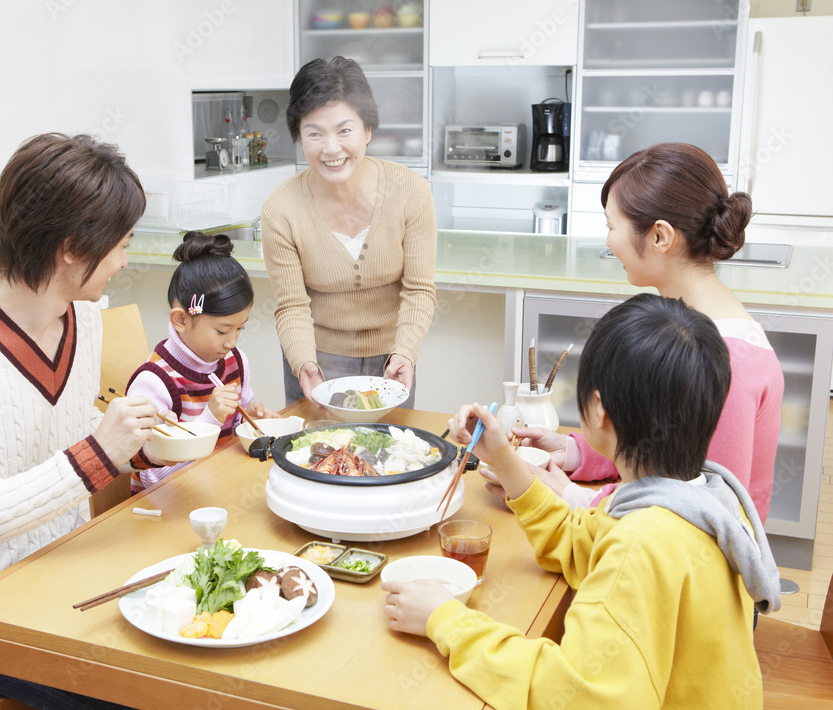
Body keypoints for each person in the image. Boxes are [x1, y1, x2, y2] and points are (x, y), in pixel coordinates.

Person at [383, 294, 782, 709]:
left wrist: (445, 619)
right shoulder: (700, 498)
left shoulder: (641, 543)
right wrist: (502, 457)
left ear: (598, 409)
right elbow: (578, 539)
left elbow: (575, 696)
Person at [0, 133, 163, 710]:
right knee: (153, 696)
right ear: (71, 247)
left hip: (69, 574)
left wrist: (139, 440)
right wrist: (97, 456)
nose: (124, 259)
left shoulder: (84, 318)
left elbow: (51, 429)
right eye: (120, 244)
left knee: (202, 653)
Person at [515, 142, 783, 522]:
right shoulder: (686, 326)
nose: (608, 241)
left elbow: (705, 510)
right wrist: (575, 453)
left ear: (660, 236)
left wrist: (576, 498)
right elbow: (669, 449)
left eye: (612, 226)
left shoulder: (726, 359)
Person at [261, 56, 437, 408]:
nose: (331, 148)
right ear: (299, 135)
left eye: (345, 130)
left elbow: (419, 290)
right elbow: (292, 305)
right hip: (318, 359)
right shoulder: (281, 209)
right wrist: (304, 362)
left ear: (368, 130)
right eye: (314, 133)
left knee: (390, 455)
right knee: (318, 457)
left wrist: (405, 352)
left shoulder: (411, 192)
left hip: (392, 358)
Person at [126, 231, 278, 490]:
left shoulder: (235, 360)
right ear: (181, 320)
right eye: (222, 330)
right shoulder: (155, 382)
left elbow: (231, 432)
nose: (232, 342)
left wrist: (248, 420)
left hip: (220, 486)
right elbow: (150, 473)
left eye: (240, 328)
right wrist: (210, 417)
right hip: (165, 504)